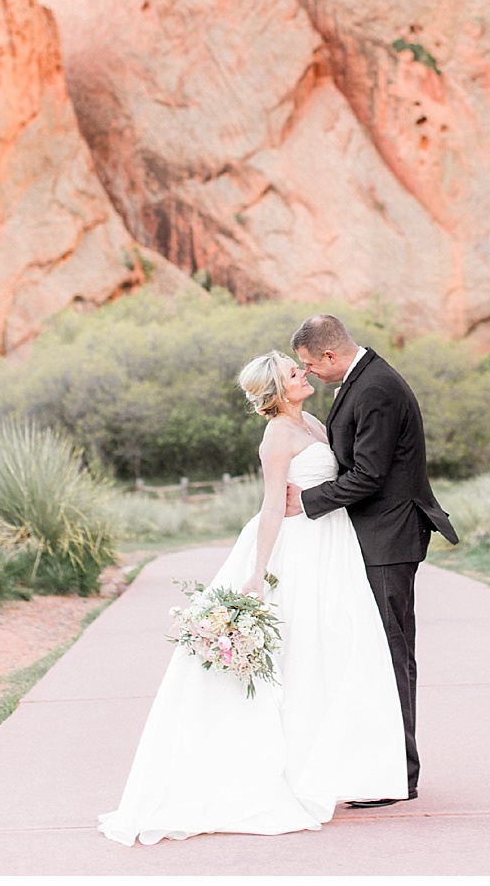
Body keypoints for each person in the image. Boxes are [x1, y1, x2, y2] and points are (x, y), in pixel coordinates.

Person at [99, 353, 407, 844]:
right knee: (297, 652)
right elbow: (270, 505)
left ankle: (320, 763)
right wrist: (258, 574)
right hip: (295, 549)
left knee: (333, 646)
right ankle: (274, 772)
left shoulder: (311, 421)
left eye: (300, 367)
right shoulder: (277, 437)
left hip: (330, 545)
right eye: (292, 372)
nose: (302, 373)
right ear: (277, 389)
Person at [285, 314, 458, 805]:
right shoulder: (359, 380)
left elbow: (370, 476)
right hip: (369, 536)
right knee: (370, 650)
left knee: (391, 652)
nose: (309, 373)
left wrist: (308, 501)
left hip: (388, 537)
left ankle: (398, 776)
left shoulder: (376, 387)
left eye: (308, 364)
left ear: (329, 356)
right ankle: (375, 763)